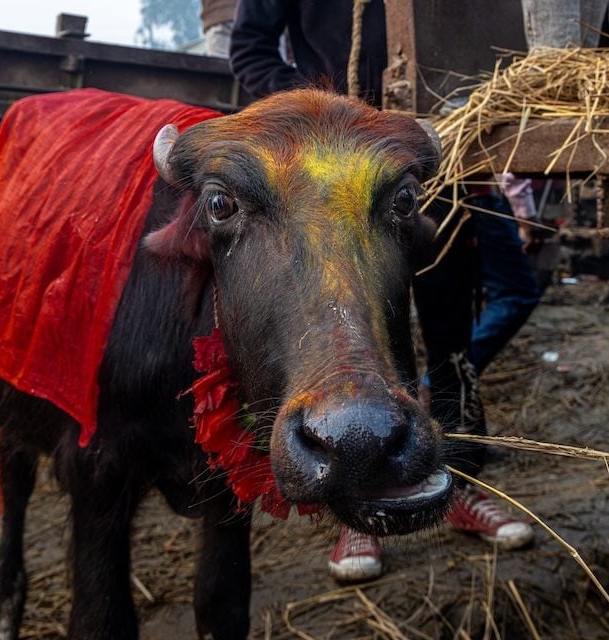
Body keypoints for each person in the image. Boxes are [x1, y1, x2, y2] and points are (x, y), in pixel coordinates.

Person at [229, 0, 536, 583]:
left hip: (434, 169)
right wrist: (320, 112)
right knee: (353, 334)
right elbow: (250, 51)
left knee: (450, 331)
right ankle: (357, 510)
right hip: (332, 177)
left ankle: (460, 484)